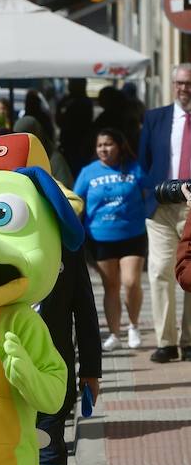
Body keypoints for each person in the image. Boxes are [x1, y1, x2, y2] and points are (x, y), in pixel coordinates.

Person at [36, 240, 102, 465]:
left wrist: (90, 371)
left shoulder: (67, 248)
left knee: (49, 444)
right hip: (3, 373)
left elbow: (84, 311)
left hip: (54, 370)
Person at [136, 63, 191, 363]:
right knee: (159, 271)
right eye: (180, 83)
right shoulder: (155, 118)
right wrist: (149, 192)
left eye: (189, 83)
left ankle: (190, 339)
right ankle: (166, 342)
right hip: (160, 207)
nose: (185, 89)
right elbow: (143, 162)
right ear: (173, 85)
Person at [75, 128, 149, 350]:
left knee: (131, 281)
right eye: (99, 145)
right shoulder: (88, 172)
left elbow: (149, 193)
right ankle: (115, 334)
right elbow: (76, 202)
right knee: (111, 286)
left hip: (132, 235)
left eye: (108, 144)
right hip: (100, 237)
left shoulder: (134, 169)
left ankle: (134, 326)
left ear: (119, 146)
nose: (103, 149)